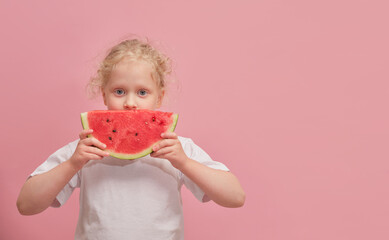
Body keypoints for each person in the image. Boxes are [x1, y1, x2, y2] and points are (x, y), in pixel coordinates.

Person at [16, 38, 245, 240]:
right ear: (104, 95)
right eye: (119, 91)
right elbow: (26, 205)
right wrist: (72, 163)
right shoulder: (85, 150)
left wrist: (184, 163)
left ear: (160, 97)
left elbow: (235, 196)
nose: (130, 103)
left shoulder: (177, 149)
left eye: (142, 92)